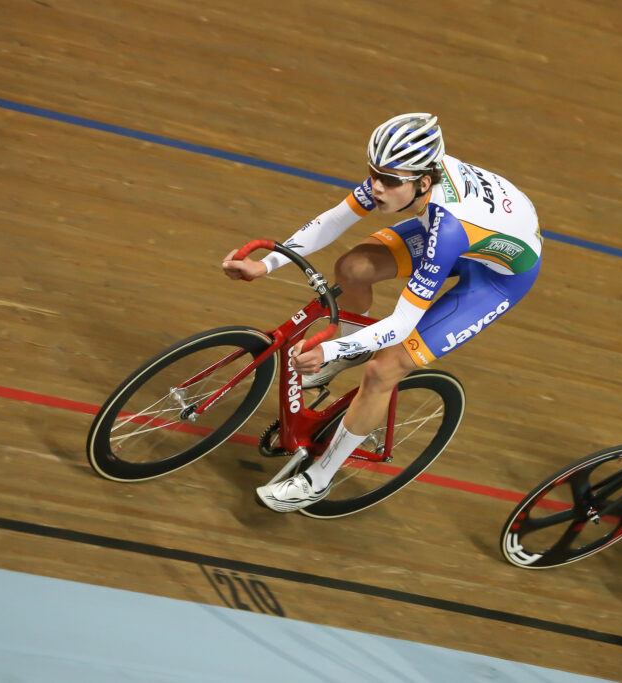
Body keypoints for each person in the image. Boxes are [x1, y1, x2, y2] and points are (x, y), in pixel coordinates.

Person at [222, 113, 543, 511]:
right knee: (353, 268)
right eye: (373, 173)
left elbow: (404, 323)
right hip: (474, 232)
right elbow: (337, 218)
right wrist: (266, 264)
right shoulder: (407, 169)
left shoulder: (447, 228)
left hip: (495, 279)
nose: (376, 187)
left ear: (423, 183)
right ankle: (355, 348)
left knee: (384, 369)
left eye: (388, 181)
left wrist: (328, 350)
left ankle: (319, 479)